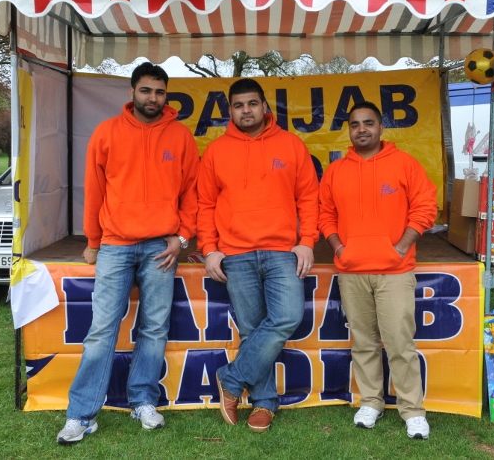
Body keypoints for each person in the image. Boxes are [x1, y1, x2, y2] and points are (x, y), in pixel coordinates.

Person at [56, 62, 199, 445]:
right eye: (146, 90)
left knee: (154, 327)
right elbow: (94, 192)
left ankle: (143, 401)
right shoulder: (106, 133)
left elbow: (192, 192)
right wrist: (93, 241)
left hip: (161, 247)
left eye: (160, 92)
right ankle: (81, 414)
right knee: (102, 328)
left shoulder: (181, 136)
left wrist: (182, 237)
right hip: (116, 245)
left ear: (166, 96)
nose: (153, 98)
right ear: (132, 92)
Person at [197, 78, 319, 433]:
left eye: (252, 103)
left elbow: (309, 198)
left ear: (265, 107)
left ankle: (232, 379)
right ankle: (264, 402)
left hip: (281, 251)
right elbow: (205, 205)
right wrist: (209, 249)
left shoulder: (291, 145)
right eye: (238, 105)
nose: (246, 110)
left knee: (287, 317)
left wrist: (307, 241)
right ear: (230, 110)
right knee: (251, 330)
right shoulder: (216, 151)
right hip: (235, 253)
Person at [318, 101, 437, 440]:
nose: (362, 130)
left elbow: (426, 207)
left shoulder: (405, 164)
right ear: (349, 130)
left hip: (394, 271)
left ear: (381, 127)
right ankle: (371, 402)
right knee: (364, 343)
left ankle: (412, 410)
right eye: (355, 124)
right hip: (352, 271)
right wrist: (339, 247)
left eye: (368, 123)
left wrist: (401, 246)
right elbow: (325, 214)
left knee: (399, 343)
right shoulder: (336, 170)